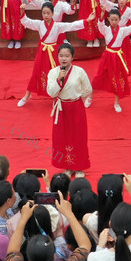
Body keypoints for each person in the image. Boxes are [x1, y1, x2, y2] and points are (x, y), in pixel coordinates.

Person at [46, 43, 92, 177]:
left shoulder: (79, 71)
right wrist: (59, 79)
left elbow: (88, 89)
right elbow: (51, 93)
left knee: (79, 137)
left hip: (76, 107)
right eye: (61, 55)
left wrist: (77, 99)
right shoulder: (53, 72)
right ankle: (67, 167)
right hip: (61, 109)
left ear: (72, 57)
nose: (63, 58)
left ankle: (79, 168)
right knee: (62, 137)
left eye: (67, 56)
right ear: (57, 56)